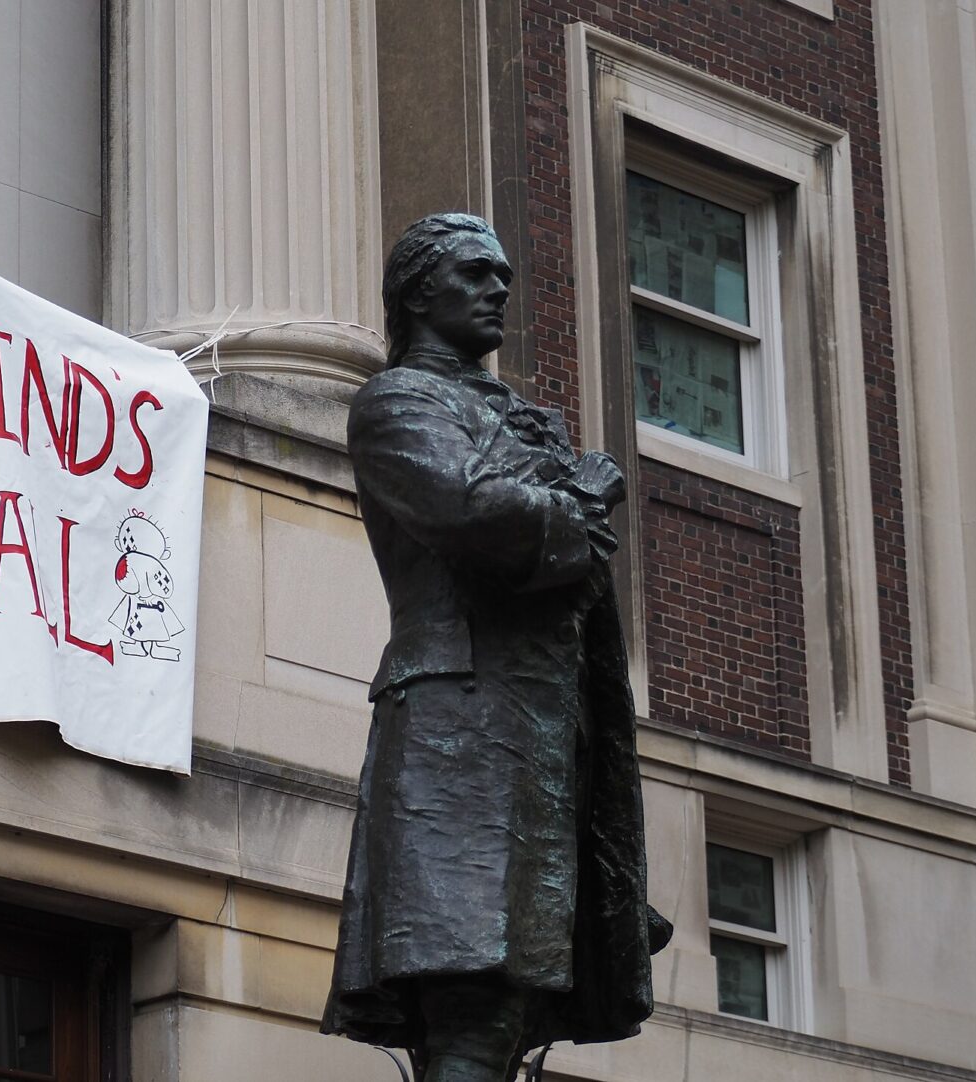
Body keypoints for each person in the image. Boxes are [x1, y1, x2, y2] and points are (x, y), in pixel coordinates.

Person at [322, 213, 670, 1082]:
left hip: (550, 731)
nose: (498, 290)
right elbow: (471, 511)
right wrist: (580, 501)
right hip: (462, 720)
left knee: (513, 997)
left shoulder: (519, 419)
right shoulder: (398, 401)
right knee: (471, 993)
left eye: (504, 276)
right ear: (418, 294)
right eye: (475, 274)